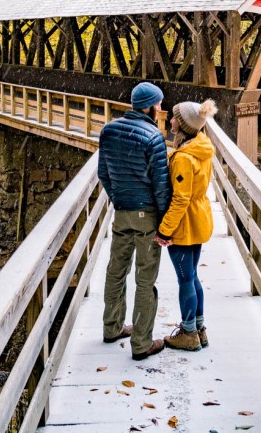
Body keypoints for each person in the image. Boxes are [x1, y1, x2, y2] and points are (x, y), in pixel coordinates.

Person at [97, 82, 171, 360]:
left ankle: (112, 327)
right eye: (159, 104)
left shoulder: (109, 130)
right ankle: (141, 343)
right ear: (151, 106)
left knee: (116, 270)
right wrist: (164, 224)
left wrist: (119, 198)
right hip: (146, 214)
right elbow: (160, 185)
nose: (160, 109)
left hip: (122, 211)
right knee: (145, 278)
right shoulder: (153, 137)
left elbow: (103, 172)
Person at [156, 99, 217, 352]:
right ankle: (199, 329)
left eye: (173, 117)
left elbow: (180, 198)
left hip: (185, 225)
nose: (169, 119)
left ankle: (189, 333)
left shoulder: (183, 158)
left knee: (185, 280)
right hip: (200, 218)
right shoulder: (202, 148)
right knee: (192, 277)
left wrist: (164, 229)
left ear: (181, 125)